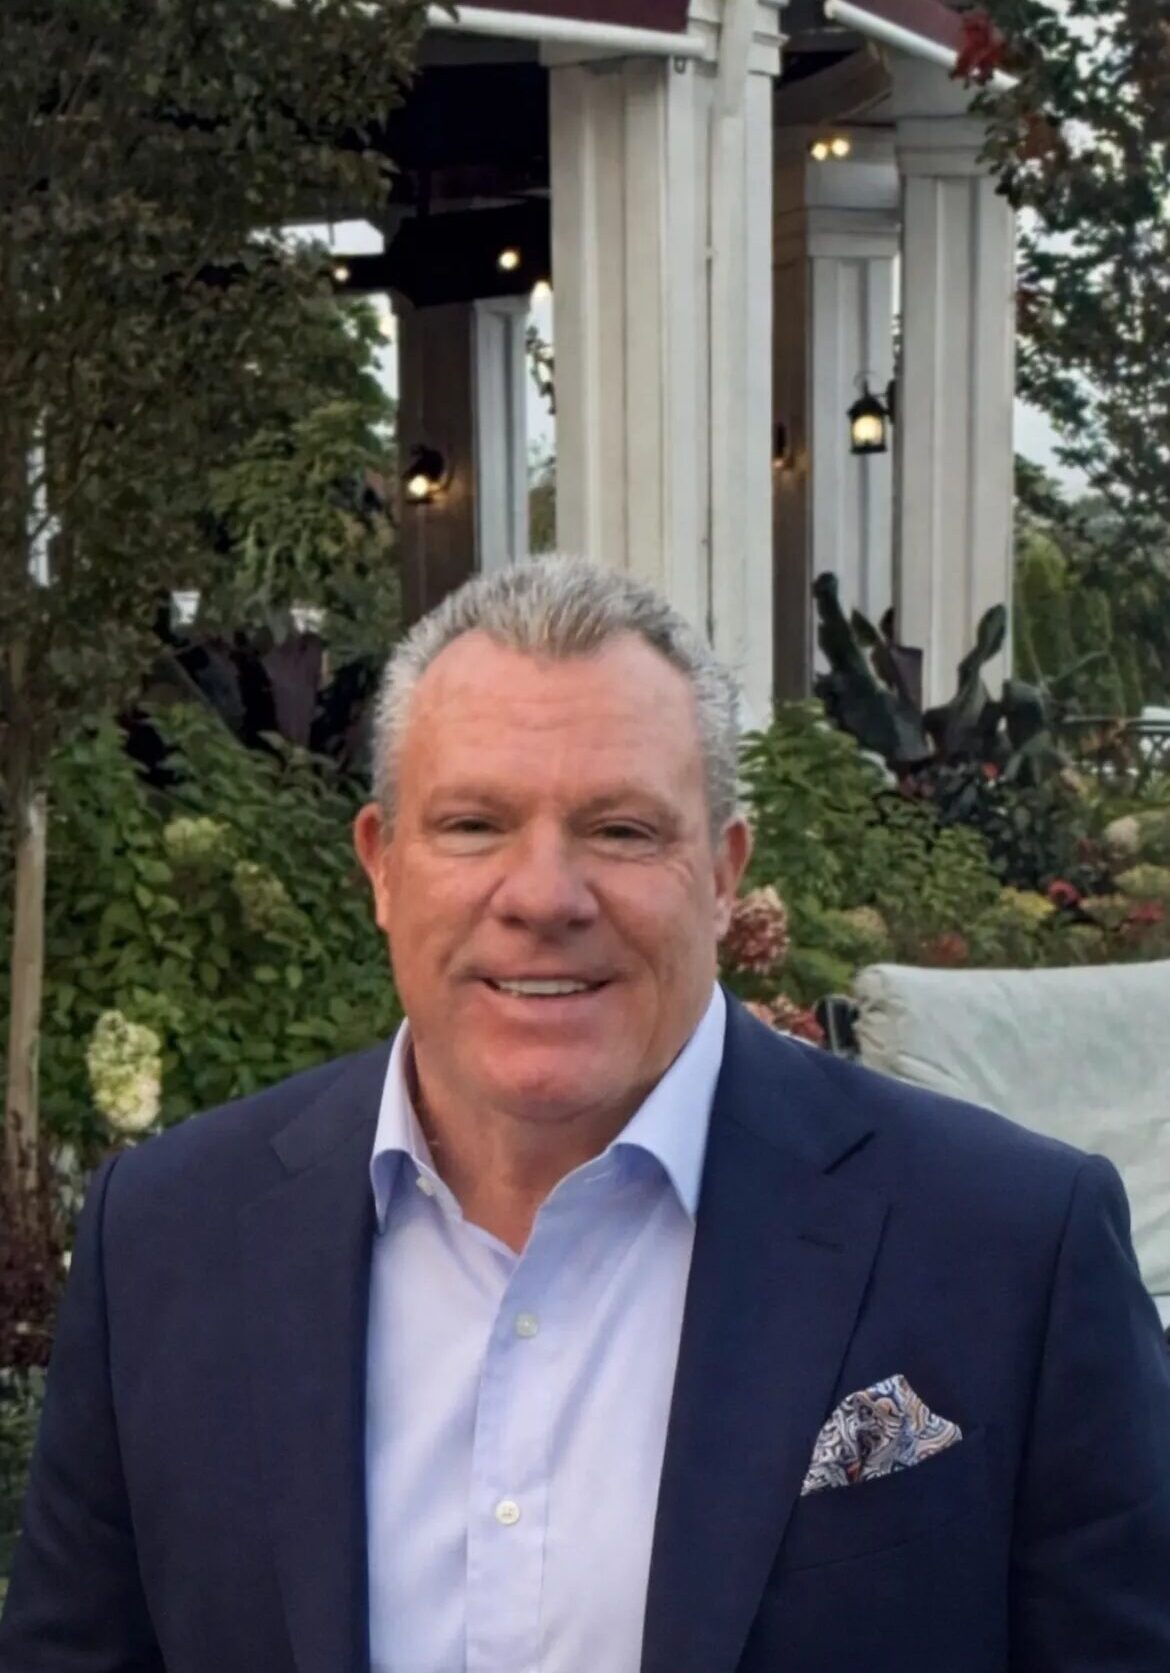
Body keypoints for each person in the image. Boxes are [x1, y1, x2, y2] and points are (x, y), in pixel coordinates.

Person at [2, 557, 1169, 1673]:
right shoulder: (167, 1239)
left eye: (620, 828)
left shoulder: (1012, 1244)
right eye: (473, 824)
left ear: (721, 874)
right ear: (382, 867)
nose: (545, 896)